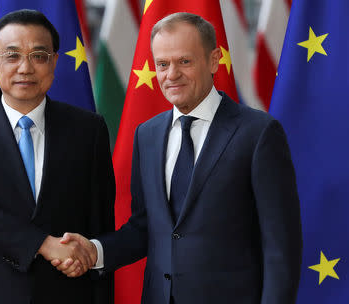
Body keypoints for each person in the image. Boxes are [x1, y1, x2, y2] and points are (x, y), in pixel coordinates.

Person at [58, 12, 302, 304]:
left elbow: (281, 247)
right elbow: (145, 227)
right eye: (162, 64)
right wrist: (94, 251)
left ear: (213, 61)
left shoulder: (258, 133)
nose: (171, 74)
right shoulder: (147, 135)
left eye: (184, 61)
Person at [0, 9, 114, 304]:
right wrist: (42, 244)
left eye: (39, 56)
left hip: (67, 292)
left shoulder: (88, 129)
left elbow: (99, 222)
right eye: (12, 55)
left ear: (55, 62)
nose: (25, 68)